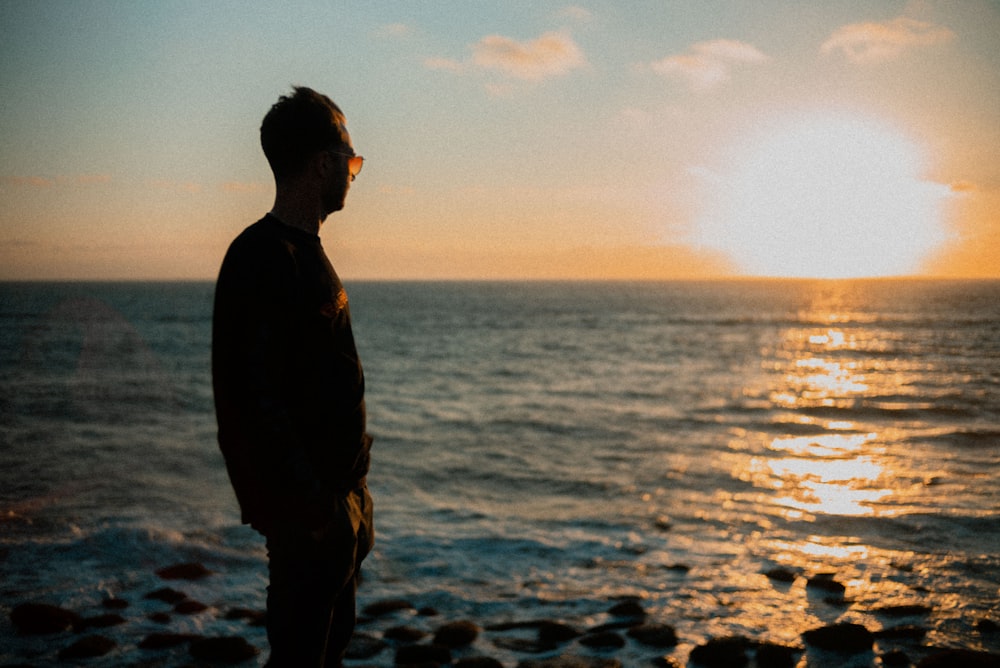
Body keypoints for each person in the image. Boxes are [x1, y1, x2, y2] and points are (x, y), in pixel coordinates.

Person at [212, 86, 373, 667]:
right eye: (352, 160)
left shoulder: (306, 251)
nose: (355, 173)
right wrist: (312, 515)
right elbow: (248, 403)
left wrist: (355, 501)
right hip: (312, 523)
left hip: (337, 512)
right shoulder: (261, 257)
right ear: (324, 162)